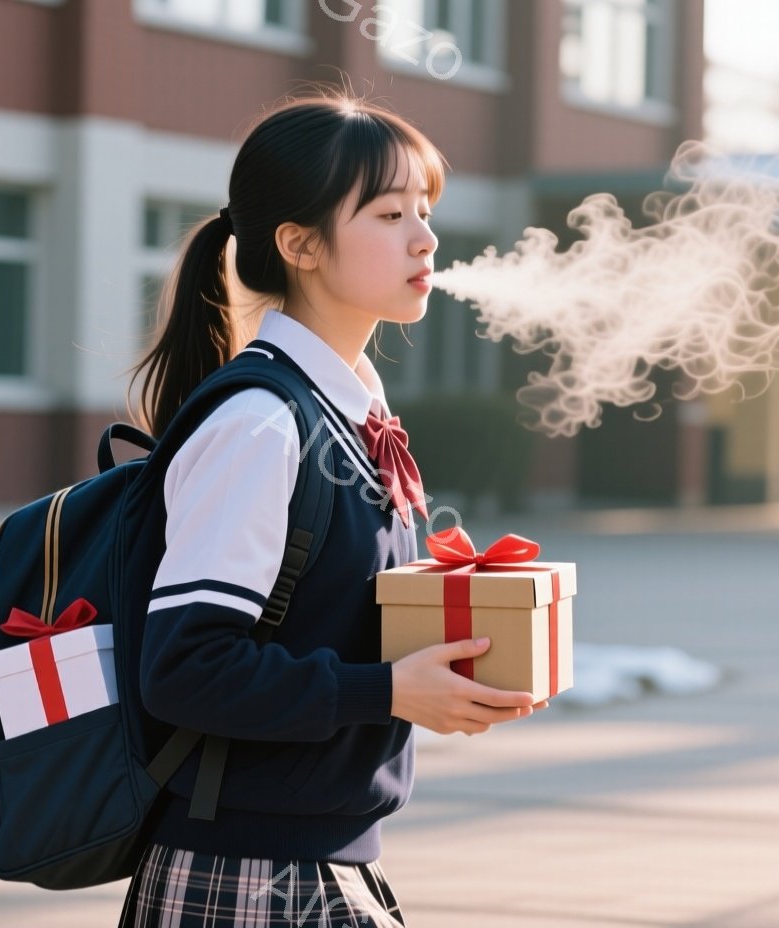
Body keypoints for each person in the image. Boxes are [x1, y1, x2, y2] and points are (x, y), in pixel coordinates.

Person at [116, 94, 546, 927]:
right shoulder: (261, 424)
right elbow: (184, 668)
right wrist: (387, 691)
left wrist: (440, 670)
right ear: (300, 244)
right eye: (389, 214)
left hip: (314, 861)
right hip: (247, 874)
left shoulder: (341, 417)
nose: (425, 238)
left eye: (425, 211)